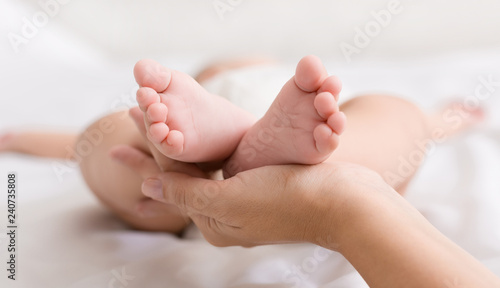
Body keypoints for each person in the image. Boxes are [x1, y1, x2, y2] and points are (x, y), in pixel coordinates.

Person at [0, 55, 482, 232]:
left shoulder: (201, 92)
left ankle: (186, 168)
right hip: (242, 121)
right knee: (393, 116)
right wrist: (438, 119)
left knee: (99, 140)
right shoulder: (285, 94)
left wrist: (19, 137)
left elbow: (70, 146)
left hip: (228, 123)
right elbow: (425, 124)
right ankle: (227, 159)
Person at [111, 145, 500, 288]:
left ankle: (224, 151)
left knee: (111, 142)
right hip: (286, 138)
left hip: (277, 134)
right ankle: (225, 151)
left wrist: (339, 206)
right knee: (394, 116)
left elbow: (72, 144)